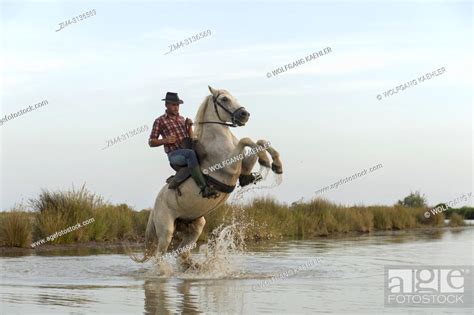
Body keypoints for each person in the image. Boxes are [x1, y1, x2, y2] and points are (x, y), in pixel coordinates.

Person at [148, 92, 219, 199]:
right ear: (166, 105)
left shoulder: (182, 119)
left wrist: (189, 127)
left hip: (187, 150)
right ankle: (204, 188)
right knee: (190, 154)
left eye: (177, 105)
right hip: (174, 155)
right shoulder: (160, 121)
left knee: (204, 150)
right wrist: (165, 140)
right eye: (173, 105)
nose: (176, 107)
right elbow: (151, 142)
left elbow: (191, 138)